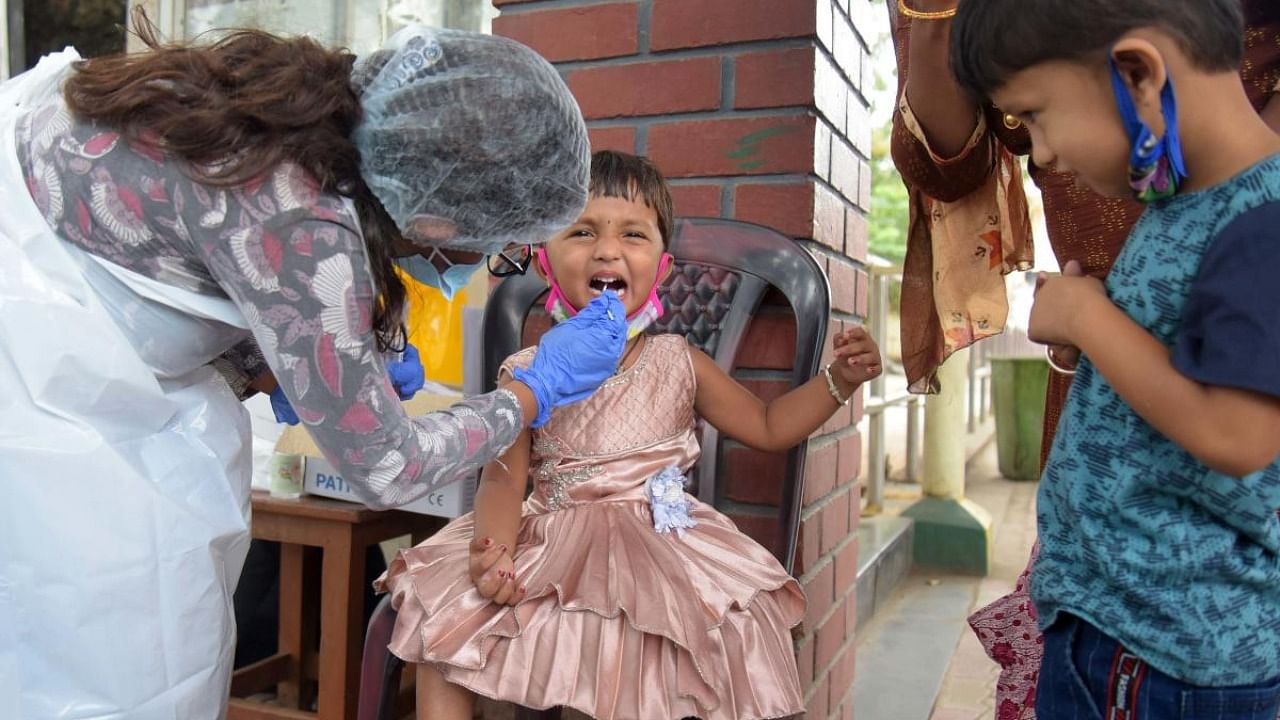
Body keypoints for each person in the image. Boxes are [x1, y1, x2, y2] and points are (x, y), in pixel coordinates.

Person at [0, 12, 629, 717]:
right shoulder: (300, 223)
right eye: (502, 246)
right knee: (109, 644)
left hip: (49, 284)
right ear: (438, 220)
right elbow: (386, 466)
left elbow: (180, 251)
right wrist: (531, 390)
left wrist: (272, 360)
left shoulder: (304, 113)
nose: (490, 261)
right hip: (32, 359)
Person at [374, 150, 884, 720]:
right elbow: (502, 479)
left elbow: (768, 427)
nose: (608, 249)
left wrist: (838, 380)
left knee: (635, 643)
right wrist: (490, 553)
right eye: (583, 231)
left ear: (661, 268)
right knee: (440, 622)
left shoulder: (677, 360)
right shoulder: (527, 371)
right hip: (549, 544)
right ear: (544, 262)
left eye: (633, 234)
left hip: (656, 550)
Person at [889, 1, 1280, 714]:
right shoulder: (1184, 203)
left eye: (1036, 115)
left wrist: (1092, 319)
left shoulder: (1261, 224)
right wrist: (1106, 328)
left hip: (1170, 668)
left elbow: (1239, 433)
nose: (1040, 154)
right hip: (1115, 634)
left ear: (1137, 74)